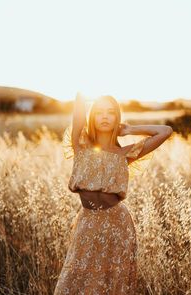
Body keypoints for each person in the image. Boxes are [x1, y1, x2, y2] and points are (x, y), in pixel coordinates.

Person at [54, 92, 173, 294]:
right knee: (76, 281)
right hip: (88, 223)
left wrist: (130, 130)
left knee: (111, 282)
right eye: (99, 112)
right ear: (92, 117)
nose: (105, 116)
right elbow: (79, 108)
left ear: (117, 118)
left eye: (111, 112)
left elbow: (165, 131)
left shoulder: (125, 153)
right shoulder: (80, 145)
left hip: (118, 225)